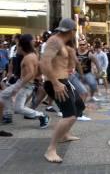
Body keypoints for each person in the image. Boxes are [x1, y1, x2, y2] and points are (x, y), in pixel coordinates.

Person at [40, 18, 85, 163]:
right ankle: (51, 149)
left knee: (79, 105)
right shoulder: (54, 41)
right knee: (69, 115)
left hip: (63, 81)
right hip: (55, 82)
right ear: (72, 31)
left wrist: (71, 55)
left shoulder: (63, 43)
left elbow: (67, 63)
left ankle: (64, 134)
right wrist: (55, 83)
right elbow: (44, 63)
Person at [0, 34, 49, 127]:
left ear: (22, 47)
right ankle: (7, 115)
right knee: (4, 95)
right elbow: (38, 70)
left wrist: (19, 86)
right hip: (25, 84)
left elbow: (31, 73)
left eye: (18, 46)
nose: (16, 48)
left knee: (18, 107)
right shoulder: (33, 55)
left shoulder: (28, 58)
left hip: (25, 85)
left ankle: (42, 115)